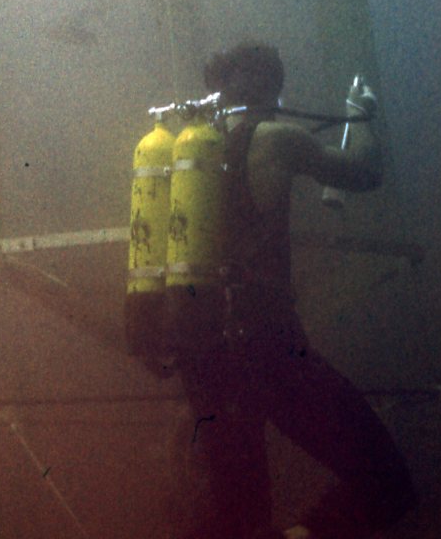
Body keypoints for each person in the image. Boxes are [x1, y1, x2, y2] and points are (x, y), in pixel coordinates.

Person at [172, 41, 416, 539]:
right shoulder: (277, 138)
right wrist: (360, 115)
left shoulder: (187, 151)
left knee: (237, 518)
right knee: (386, 482)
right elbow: (365, 172)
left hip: (203, 355)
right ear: (273, 87)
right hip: (269, 347)